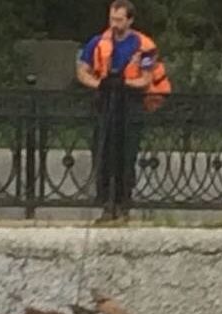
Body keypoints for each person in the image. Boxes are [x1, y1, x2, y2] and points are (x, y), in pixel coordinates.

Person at [76, 0, 171, 220]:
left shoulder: (144, 46)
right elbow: (82, 71)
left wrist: (125, 84)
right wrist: (100, 84)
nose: (114, 24)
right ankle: (106, 205)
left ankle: (123, 204)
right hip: (105, 102)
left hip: (131, 103)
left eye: (119, 19)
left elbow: (146, 79)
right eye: (112, 19)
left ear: (130, 20)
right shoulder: (98, 42)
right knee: (103, 153)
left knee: (126, 155)